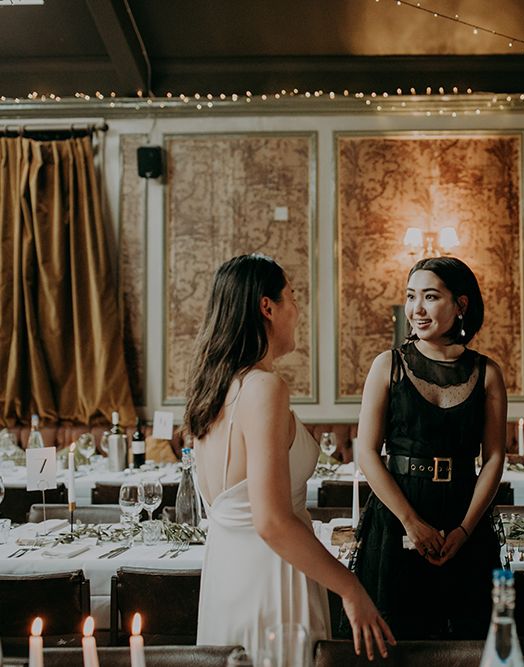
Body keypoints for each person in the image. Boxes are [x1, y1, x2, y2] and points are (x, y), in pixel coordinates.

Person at [185, 254, 395, 662]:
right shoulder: (264, 388)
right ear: (268, 307)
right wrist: (350, 588)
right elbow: (272, 521)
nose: (297, 310)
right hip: (272, 579)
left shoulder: (211, 389)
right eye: (292, 297)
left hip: (227, 577)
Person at [349, 256, 507, 639]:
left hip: (463, 512)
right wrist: (410, 522)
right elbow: (366, 452)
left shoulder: (487, 372)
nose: (416, 309)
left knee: (469, 633)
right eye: (410, 296)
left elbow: (495, 458)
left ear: (461, 305)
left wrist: (466, 529)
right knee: (397, 634)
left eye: (430, 297)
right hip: (397, 512)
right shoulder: (387, 364)